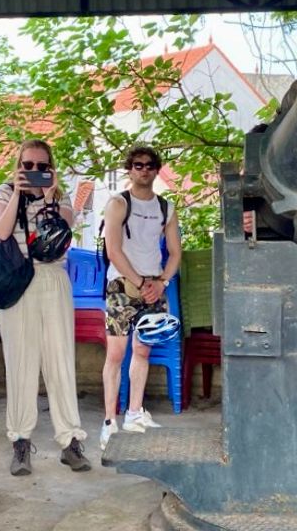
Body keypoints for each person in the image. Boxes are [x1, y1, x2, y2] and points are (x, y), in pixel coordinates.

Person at [0, 139, 90, 476]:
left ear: (51, 168)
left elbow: (64, 230)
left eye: (41, 166)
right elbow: (1, 232)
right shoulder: (4, 193)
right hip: (17, 281)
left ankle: (70, 440)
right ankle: (20, 441)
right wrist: (18, 192)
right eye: (27, 166)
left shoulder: (57, 197)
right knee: (21, 363)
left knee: (60, 360)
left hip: (52, 278)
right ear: (17, 166)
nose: (34, 172)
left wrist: (49, 198)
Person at [100, 144, 182, 450]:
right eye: (137, 165)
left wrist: (161, 282)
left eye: (149, 165)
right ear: (129, 169)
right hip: (122, 285)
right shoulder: (118, 204)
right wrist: (140, 282)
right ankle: (110, 421)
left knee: (143, 351)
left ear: (157, 169)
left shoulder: (165, 208)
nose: (143, 170)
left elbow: (175, 252)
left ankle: (135, 412)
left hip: (154, 285)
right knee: (116, 354)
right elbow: (114, 250)